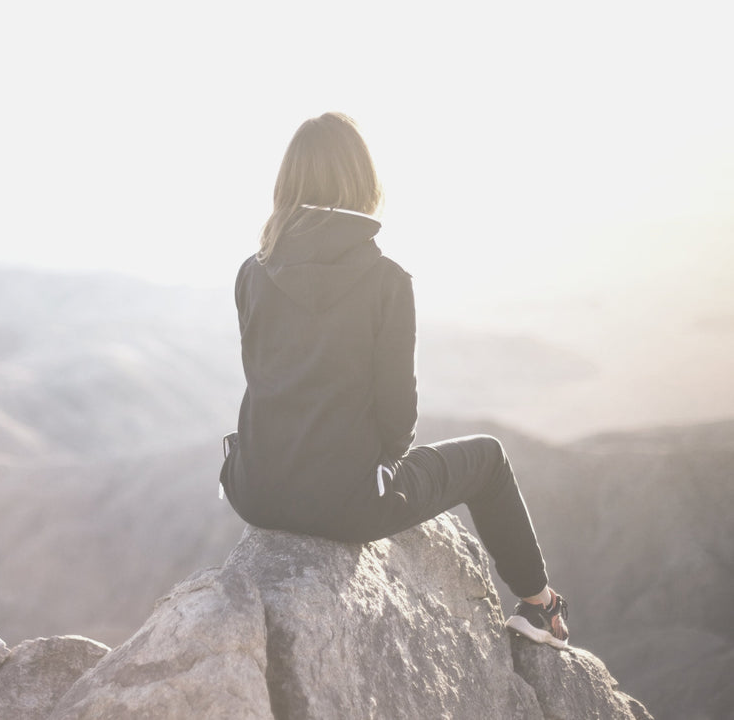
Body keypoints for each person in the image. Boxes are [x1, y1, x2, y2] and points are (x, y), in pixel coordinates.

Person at [218, 111, 569, 648]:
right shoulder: (386, 281)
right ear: (362, 182)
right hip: (347, 505)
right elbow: (398, 418)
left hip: (253, 489)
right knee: (490, 459)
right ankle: (539, 606)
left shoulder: (252, 270)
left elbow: (264, 378)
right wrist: (372, 472)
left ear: (286, 183)